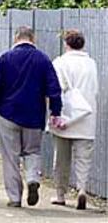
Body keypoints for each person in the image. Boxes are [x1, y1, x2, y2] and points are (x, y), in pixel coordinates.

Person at [0, 26, 62, 208]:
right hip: (34, 115)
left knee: (10, 158)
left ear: (16, 39)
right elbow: (54, 89)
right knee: (32, 151)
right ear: (32, 39)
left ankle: (14, 198)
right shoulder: (43, 59)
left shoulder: (5, 58)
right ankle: (32, 179)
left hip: (6, 113)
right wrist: (55, 112)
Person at [50, 30, 98, 210]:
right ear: (82, 43)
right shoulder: (91, 64)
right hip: (86, 116)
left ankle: (60, 195)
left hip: (65, 115)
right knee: (83, 159)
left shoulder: (60, 62)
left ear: (66, 43)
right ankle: (82, 189)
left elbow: (57, 88)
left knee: (61, 159)